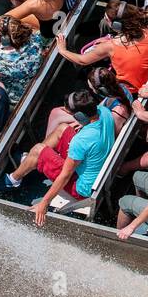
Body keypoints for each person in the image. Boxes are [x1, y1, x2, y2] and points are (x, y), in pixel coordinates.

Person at [27, 89, 116, 225]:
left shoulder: (80, 140)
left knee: (39, 149)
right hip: (99, 171)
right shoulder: (105, 112)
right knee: (63, 127)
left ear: (80, 116)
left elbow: (65, 176)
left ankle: (12, 179)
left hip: (82, 189)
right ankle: (32, 159)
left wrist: (44, 202)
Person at [54, 0, 148, 95]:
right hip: (147, 81)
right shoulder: (147, 29)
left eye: (106, 18)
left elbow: (82, 60)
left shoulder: (111, 46)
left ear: (117, 25)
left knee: (84, 74)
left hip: (129, 90)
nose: (105, 19)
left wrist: (63, 50)